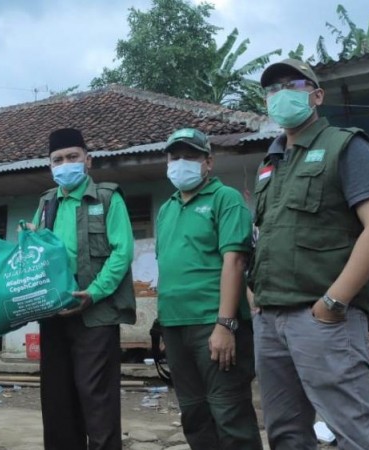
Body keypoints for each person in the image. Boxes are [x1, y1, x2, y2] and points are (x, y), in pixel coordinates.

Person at [250, 59, 369, 450]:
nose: (280, 94)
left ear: (316, 95)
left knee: (356, 434)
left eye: (290, 84)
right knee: (285, 434)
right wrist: (254, 296)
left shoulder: (346, 146)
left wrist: (333, 302)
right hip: (270, 319)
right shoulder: (269, 163)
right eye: (271, 89)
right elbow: (264, 235)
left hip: (323, 319)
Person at [155, 128, 261, 449]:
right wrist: (160, 326)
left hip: (213, 325)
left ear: (208, 162)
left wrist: (226, 324)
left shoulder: (225, 199)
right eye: (175, 157)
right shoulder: (167, 208)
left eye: (191, 156)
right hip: (175, 326)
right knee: (194, 413)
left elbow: (235, 262)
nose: (181, 163)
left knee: (229, 413)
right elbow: (169, 268)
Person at [29, 128, 135, 450]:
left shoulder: (107, 198)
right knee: (58, 403)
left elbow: (123, 251)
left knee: (97, 403)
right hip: (54, 315)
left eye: (72, 157)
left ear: (87, 160)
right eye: (58, 159)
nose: (65, 164)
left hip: (96, 315)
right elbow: (34, 250)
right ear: (50, 165)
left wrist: (95, 292)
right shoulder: (47, 203)